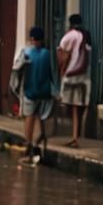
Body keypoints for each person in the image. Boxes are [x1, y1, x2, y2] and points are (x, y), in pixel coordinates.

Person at [10, 26, 56, 164]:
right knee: (40, 119)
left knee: (29, 120)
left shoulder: (26, 52)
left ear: (32, 39)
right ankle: (38, 144)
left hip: (30, 92)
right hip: (45, 93)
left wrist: (15, 88)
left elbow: (15, 69)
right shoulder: (47, 53)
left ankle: (29, 148)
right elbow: (53, 73)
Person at [57, 13, 92, 148]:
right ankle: (75, 136)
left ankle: (75, 136)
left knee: (69, 105)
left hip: (71, 77)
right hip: (84, 78)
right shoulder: (87, 35)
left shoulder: (70, 36)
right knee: (78, 107)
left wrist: (61, 71)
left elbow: (64, 56)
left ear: (70, 23)